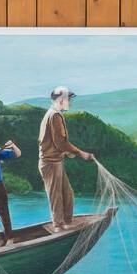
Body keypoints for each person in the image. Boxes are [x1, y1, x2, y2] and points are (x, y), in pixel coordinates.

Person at [37, 86, 94, 232]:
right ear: (61, 100)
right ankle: (58, 226)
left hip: (56, 162)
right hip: (50, 163)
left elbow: (54, 142)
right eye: (68, 99)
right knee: (56, 195)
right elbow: (60, 142)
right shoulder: (55, 116)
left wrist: (67, 152)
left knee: (67, 193)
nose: (70, 101)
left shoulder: (54, 114)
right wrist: (81, 153)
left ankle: (67, 222)